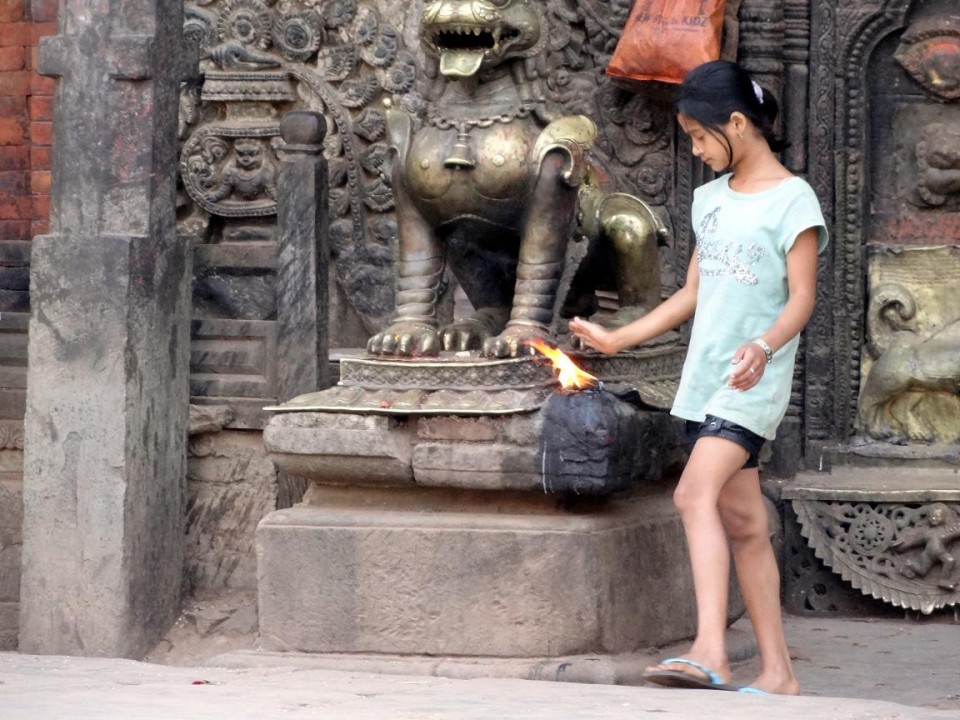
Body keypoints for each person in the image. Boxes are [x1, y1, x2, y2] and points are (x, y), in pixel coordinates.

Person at [569, 60, 828, 695]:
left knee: (691, 496)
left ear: (737, 124)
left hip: (751, 384)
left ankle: (709, 647)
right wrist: (618, 336)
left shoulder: (794, 199)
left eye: (698, 135)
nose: (695, 147)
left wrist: (764, 348)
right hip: (705, 381)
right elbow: (691, 292)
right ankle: (779, 674)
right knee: (742, 525)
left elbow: (802, 300)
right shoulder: (709, 201)